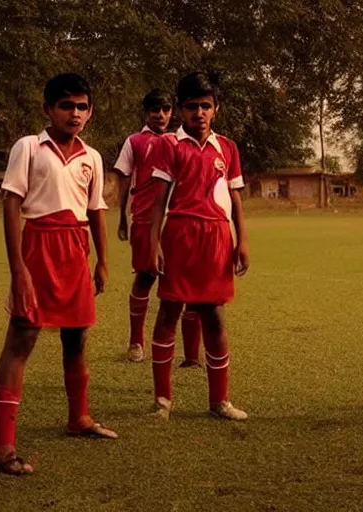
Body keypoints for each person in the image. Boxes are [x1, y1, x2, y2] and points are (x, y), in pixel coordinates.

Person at [0, 73, 117, 475]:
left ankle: (78, 418)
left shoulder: (92, 157)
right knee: (22, 338)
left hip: (75, 249)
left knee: (77, 337)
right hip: (39, 247)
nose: (74, 113)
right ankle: (3, 448)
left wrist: (101, 261)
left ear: (90, 111)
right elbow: (11, 205)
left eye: (82, 106)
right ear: (48, 109)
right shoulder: (29, 147)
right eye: (66, 106)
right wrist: (19, 271)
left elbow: (95, 210)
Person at [147, 72, 249, 421]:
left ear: (216, 109)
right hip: (180, 235)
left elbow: (235, 200)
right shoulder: (169, 145)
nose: (199, 113)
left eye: (206, 106)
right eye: (192, 107)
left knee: (214, 316)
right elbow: (158, 200)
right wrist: (152, 243)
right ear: (180, 111)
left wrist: (242, 241)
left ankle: (219, 400)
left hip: (217, 237)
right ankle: (163, 400)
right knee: (169, 312)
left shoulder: (228, 148)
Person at [113, 89, 202, 365]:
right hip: (144, 218)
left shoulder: (180, 141)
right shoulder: (135, 141)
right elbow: (124, 178)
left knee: (186, 281)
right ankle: (136, 343)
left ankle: (189, 353)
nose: (160, 115)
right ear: (146, 112)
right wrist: (122, 216)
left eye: (165, 109)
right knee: (146, 276)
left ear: (172, 112)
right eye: (155, 110)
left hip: (178, 217)